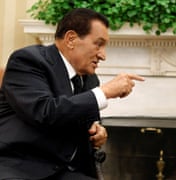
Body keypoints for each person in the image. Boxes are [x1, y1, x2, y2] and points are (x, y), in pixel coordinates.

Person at [0, 8, 144, 180]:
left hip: (63, 170)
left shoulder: (89, 79)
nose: (103, 55)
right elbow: (45, 112)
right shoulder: (28, 61)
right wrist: (104, 92)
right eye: (98, 44)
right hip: (21, 168)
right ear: (71, 39)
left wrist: (96, 132)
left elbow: (74, 118)